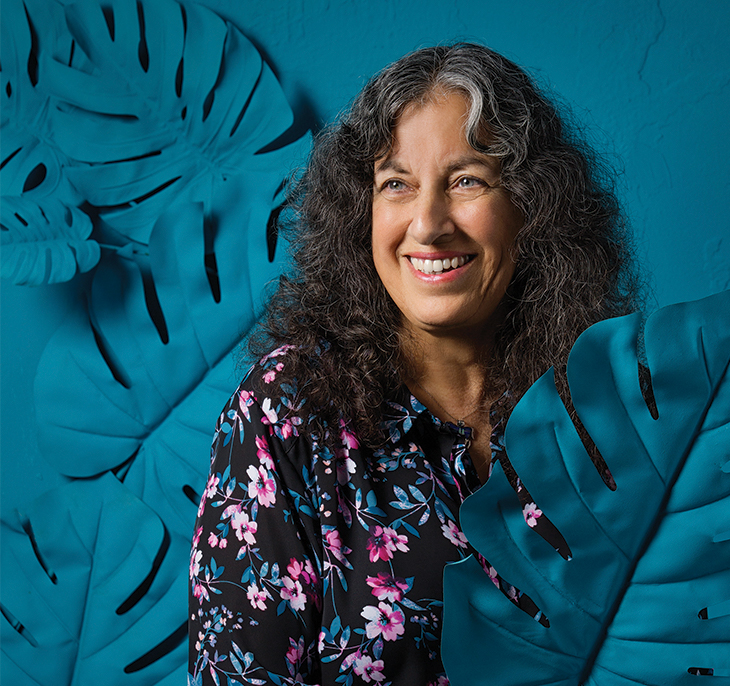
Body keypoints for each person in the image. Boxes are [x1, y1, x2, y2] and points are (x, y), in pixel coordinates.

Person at [188, 42, 644, 685]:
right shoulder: (289, 412)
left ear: (533, 207)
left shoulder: (608, 414)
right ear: (361, 213)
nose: (428, 225)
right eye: (396, 184)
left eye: (466, 181)